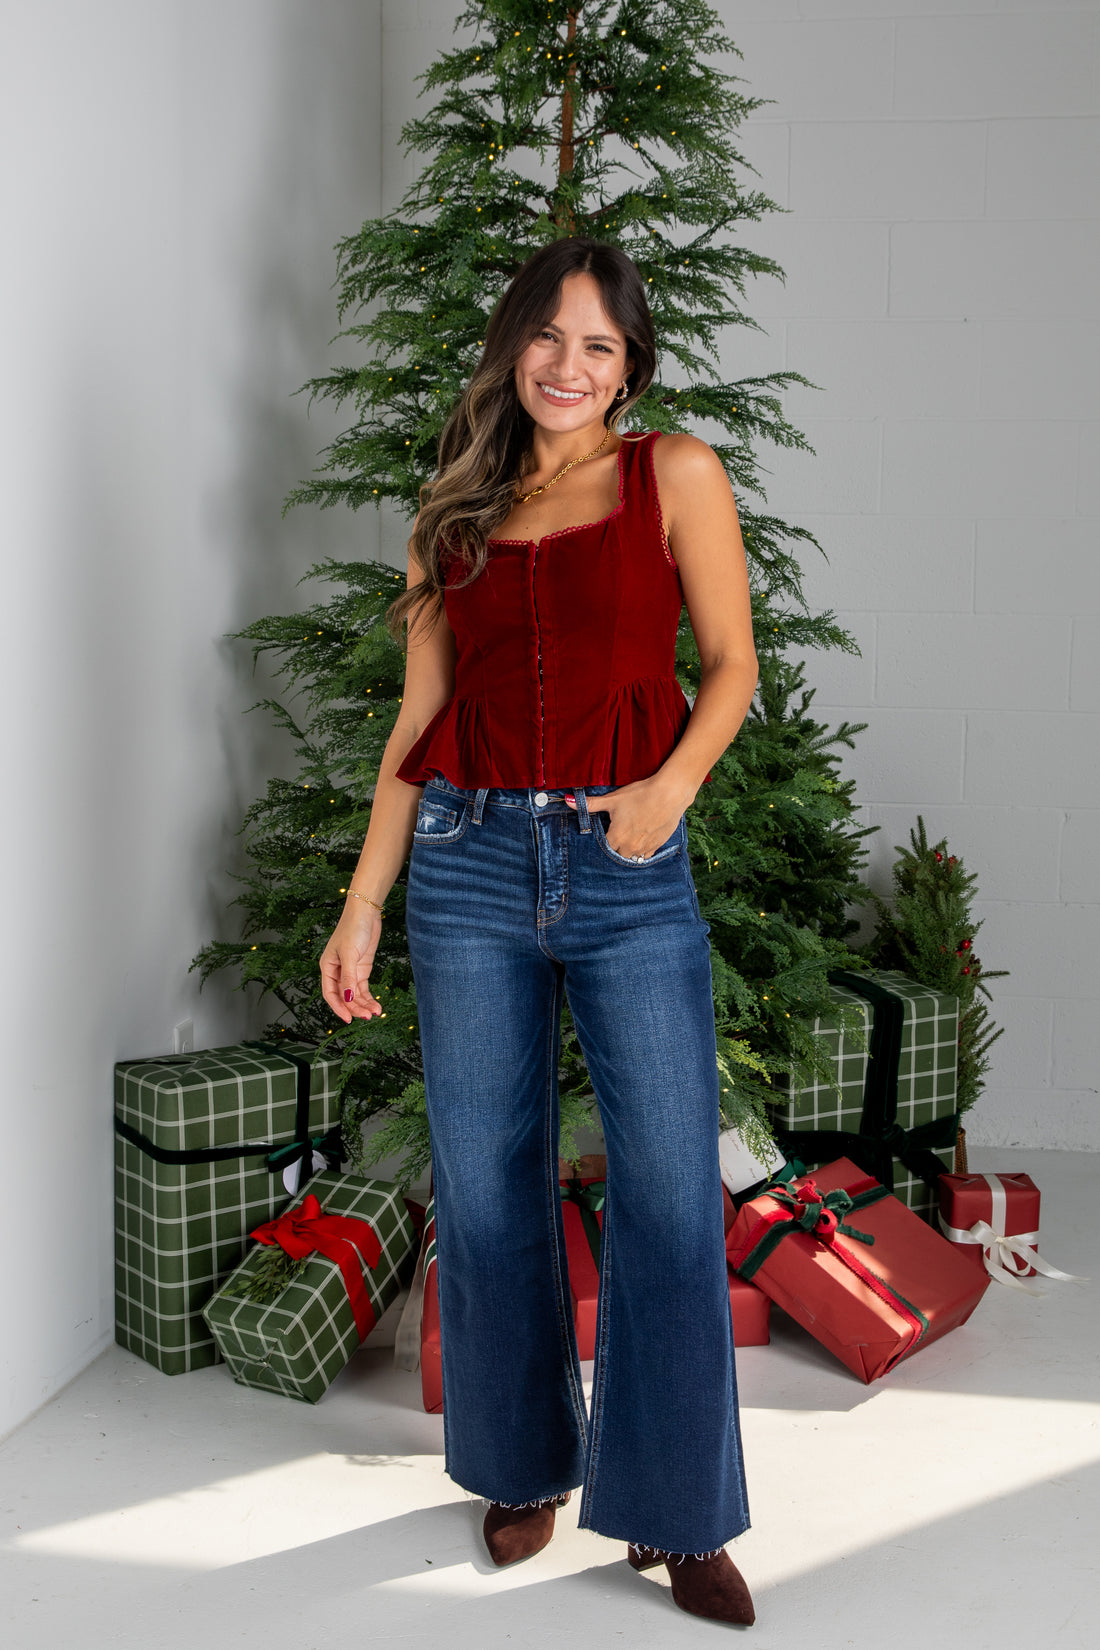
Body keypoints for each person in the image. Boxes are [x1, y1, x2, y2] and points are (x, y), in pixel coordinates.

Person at [320, 237, 760, 1627]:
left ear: (632, 368)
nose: (570, 367)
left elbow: (733, 665)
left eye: (602, 347)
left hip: (627, 864)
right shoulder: (451, 512)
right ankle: (519, 1465)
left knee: (675, 1192)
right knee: (492, 1183)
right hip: (464, 865)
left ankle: (678, 1508)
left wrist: (667, 791)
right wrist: (364, 898)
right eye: (549, 338)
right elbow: (416, 723)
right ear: (514, 343)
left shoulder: (672, 474)